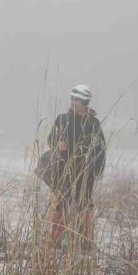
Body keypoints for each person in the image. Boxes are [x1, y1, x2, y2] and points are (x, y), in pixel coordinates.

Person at [47, 85, 106, 245]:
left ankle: (85, 241)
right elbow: (50, 139)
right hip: (63, 169)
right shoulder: (62, 119)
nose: (74, 103)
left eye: (78, 100)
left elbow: (101, 148)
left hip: (85, 172)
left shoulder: (93, 123)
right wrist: (57, 144)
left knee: (84, 204)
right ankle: (56, 239)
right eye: (72, 99)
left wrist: (96, 170)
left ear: (85, 103)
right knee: (60, 203)